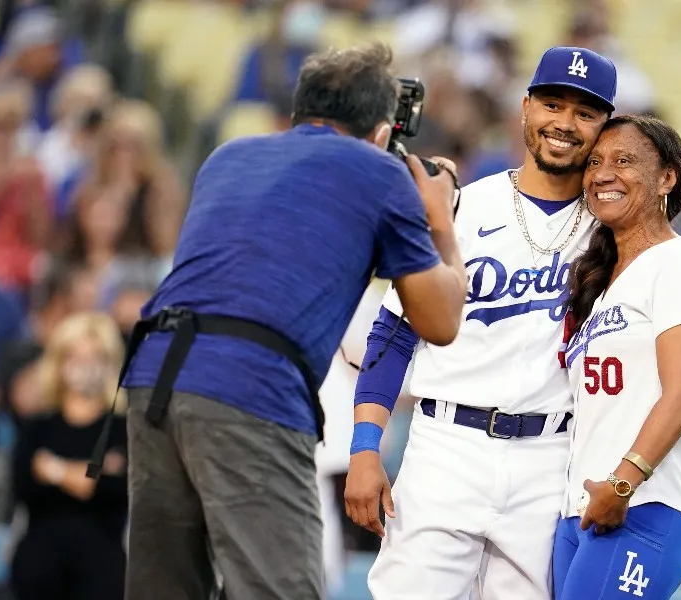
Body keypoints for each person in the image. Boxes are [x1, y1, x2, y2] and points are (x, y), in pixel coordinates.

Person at [99, 42, 467, 600]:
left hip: (156, 376)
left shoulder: (230, 155)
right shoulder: (376, 170)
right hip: (249, 384)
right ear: (380, 129)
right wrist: (439, 219)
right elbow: (440, 320)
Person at [345, 46, 617, 599]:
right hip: (448, 447)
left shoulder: (614, 235)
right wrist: (365, 448)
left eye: (585, 113)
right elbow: (393, 335)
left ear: (605, 127)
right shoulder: (463, 208)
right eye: (553, 104)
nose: (564, 123)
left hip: (551, 458)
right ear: (525, 109)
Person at [554, 115, 681, 600]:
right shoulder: (604, 283)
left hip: (643, 502)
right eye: (595, 163)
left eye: (624, 161)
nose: (602, 174)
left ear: (667, 177)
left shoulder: (677, 264)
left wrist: (624, 483)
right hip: (584, 507)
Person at [10, 312, 128, 600]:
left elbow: (118, 490)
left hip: (103, 564)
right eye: (75, 357)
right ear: (59, 362)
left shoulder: (123, 430)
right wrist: (93, 471)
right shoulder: (38, 426)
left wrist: (53, 468)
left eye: (95, 357)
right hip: (40, 563)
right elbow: (24, 487)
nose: (85, 367)